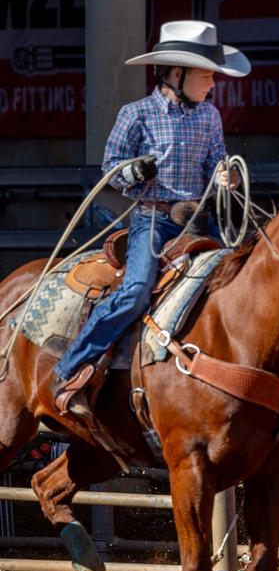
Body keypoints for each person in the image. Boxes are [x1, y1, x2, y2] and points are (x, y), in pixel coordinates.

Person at [53, 20, 250, 418]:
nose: (212, 83)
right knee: (137, 289)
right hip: (154, 220)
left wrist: (224, 176)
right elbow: (110, 169)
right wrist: (135, 172)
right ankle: (71, 369)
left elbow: (215, 163)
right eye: (206, 75)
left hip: (198, 219)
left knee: (245, 277)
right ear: (177, 74)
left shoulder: (209, 117)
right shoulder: (137, 115)